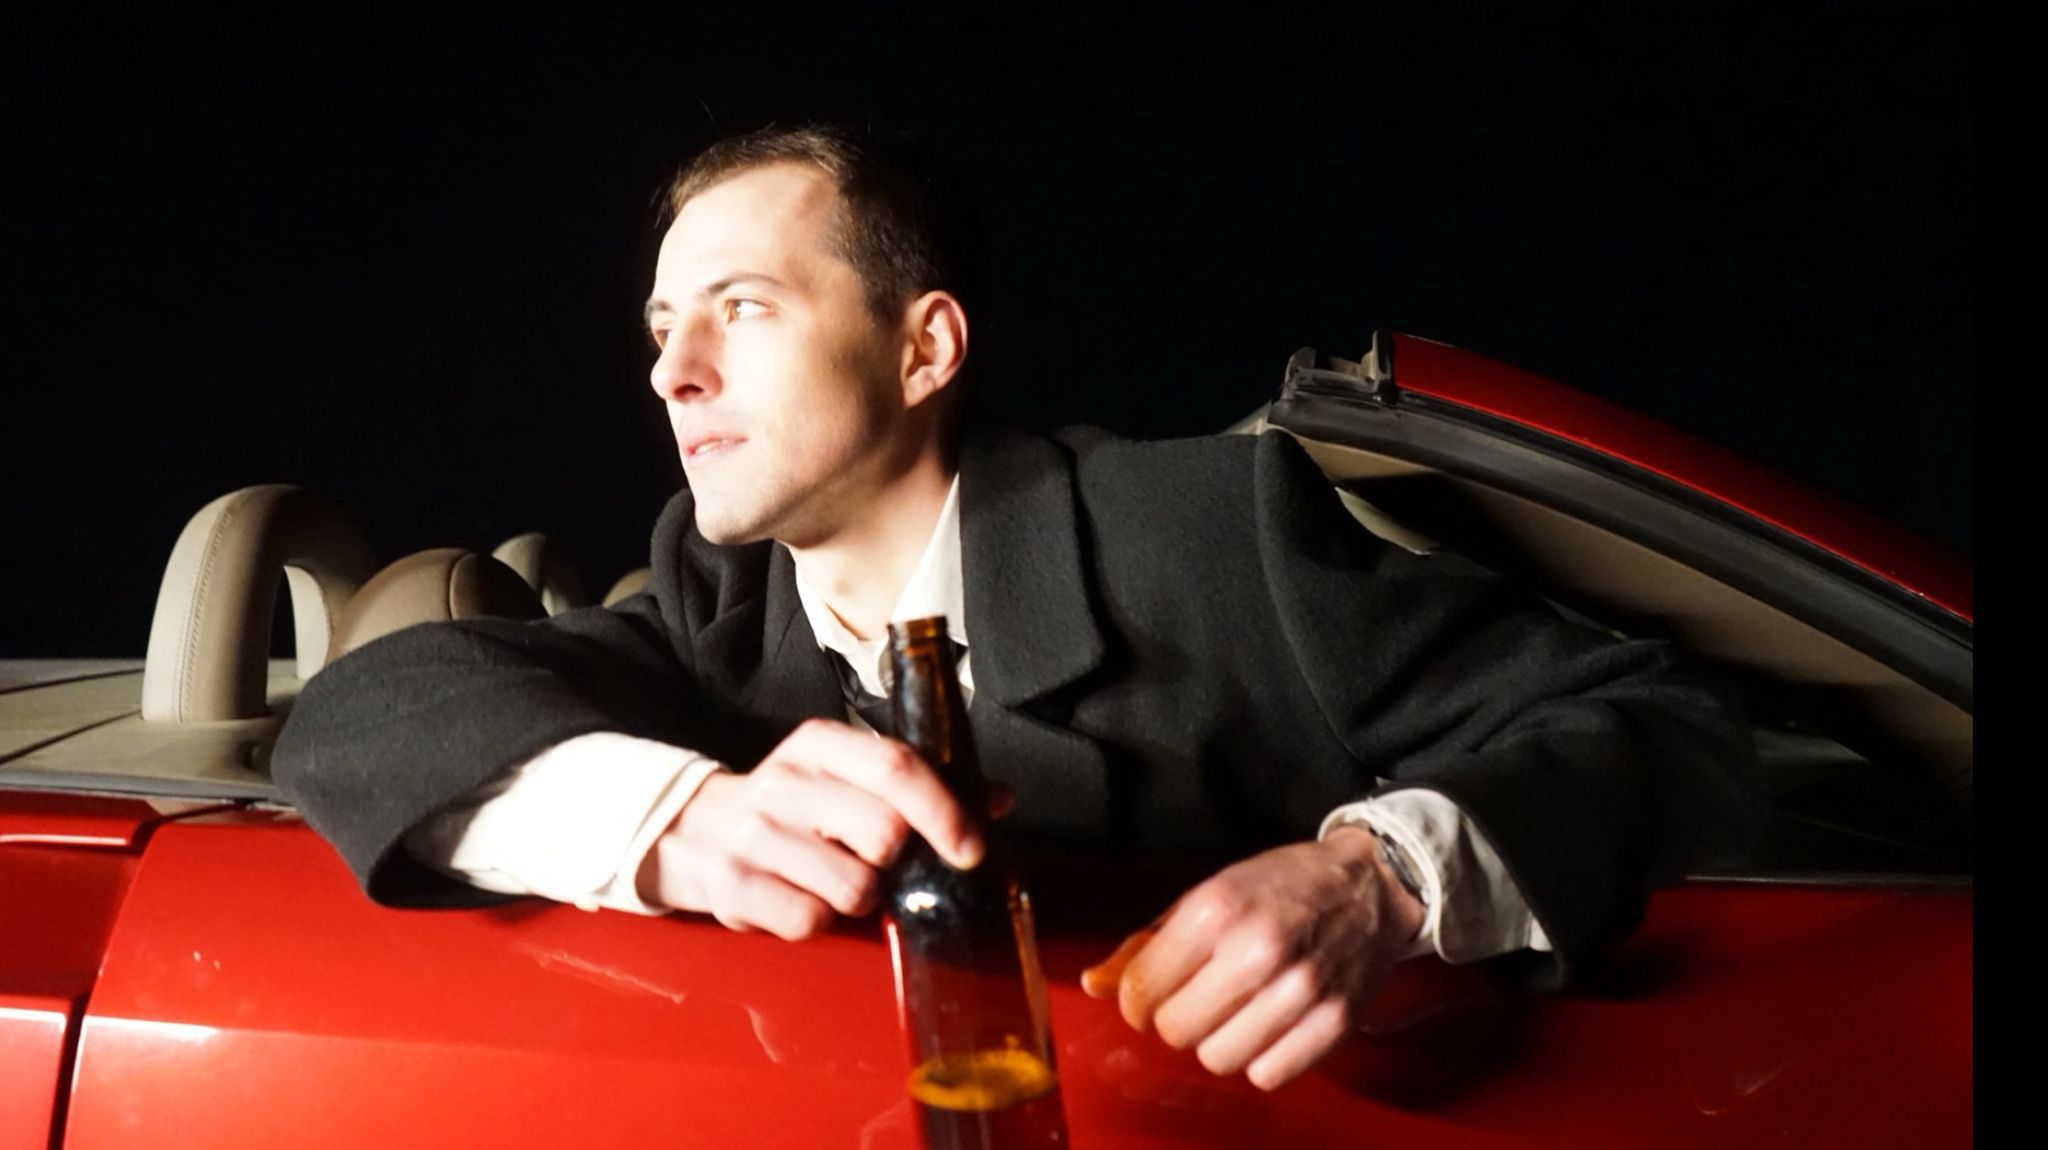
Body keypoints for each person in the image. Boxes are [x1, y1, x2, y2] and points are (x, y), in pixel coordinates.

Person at [273, 124, 1761, 1092]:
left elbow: (1664, 723)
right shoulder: (717, 601)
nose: (672, 372)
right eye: (663, 328)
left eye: (744, 308)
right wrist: (683, 822)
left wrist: (1375, 881)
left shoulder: (1209, 533)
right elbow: (365, 713)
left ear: (925, 349)